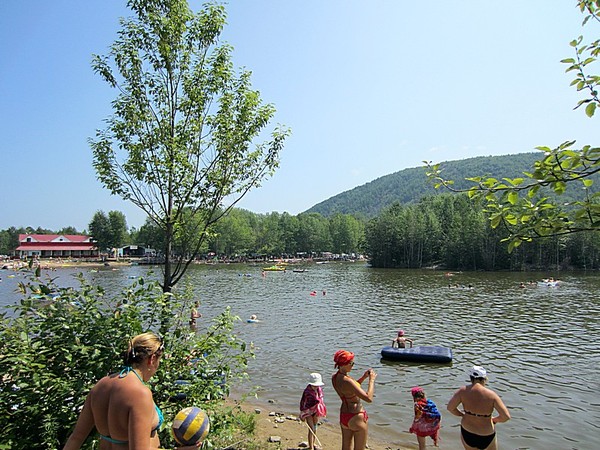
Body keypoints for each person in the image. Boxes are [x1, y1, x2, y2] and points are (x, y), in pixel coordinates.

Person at [63, 332, 200, 450]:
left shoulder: (100, 386)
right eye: (159, 361)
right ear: (152, 359)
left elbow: (76, 438)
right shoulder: (140, 394)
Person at [447, 365, 511, 450]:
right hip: (486, 434)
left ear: (471, 378)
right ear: (484, 379)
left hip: (467, 431)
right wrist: (494, 420)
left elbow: (450, 408)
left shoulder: (462, 391)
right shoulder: (491, 395)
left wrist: (462, 415)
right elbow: (506, 416)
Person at [331, 349, 377, 450]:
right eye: (351, 363)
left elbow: (351, 389)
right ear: (344, 364)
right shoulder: (347, 381)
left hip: (344, 415)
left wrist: (363, 377)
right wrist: (371, 380)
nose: (353, 365)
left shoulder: (335, 378)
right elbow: (368, 398)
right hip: (356, 416)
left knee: (345, 447)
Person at [300, 372, 327, 450]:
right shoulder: (307, 392)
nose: (315, 387)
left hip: (316, 410)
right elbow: (303, 402)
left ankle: (313, 443)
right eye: (314, 385)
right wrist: (302, 413)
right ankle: (311, 447)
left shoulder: (319, 390)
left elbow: (320, 400)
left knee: (315, 428)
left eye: (317, 385)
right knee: (311, 429)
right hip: (308, 412)